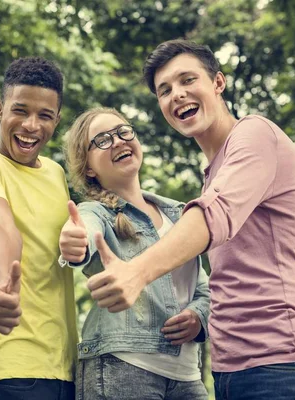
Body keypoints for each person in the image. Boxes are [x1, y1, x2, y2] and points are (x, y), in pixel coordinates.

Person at [63, 39, 295, 399]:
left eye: (187, 80)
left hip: (280, 361)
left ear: (218, 82)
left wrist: (137, 273)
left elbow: (214, 215)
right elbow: (224, 280)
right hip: (231, 368)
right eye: (165, 90)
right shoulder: (213, 174)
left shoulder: (255, 135)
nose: (177, 95)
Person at [59, 107, 210, 399]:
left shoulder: (181, 214)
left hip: (187, 377)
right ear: (88, 167)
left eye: (122, 131)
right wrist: (75, 242)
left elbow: (204, 288)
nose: (117, 141)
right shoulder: (95, 212)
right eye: (101, 140)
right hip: (122, 368)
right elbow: (84, 231)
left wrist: (198, 316)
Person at [0, 57, 78, 399]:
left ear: (57, 120)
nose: (31, 125)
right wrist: (3, 286)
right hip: (10, 359)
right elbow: (0, 223)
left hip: (64, 363)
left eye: (45, 116)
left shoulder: (56, 173)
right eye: (20, 110)